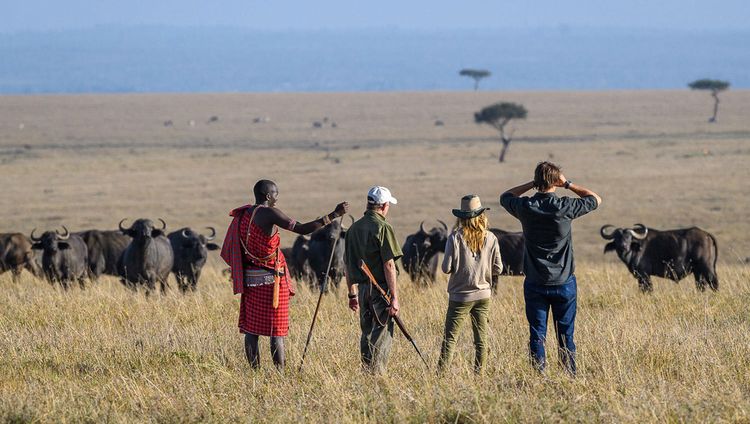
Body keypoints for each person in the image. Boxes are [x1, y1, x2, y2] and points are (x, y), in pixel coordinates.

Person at [221, 179, 348, 369]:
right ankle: (280, 375)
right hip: (272, 280)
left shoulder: (244, 214)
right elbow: (302, 229)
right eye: (275, 194)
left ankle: (254, 372)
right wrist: (334, 214)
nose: (277, 198)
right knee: (276, 331)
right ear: (268, 196)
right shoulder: (270, 213)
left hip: (251, 278)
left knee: (251, 330)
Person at [499, 162, 601, 375]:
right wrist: (568, 184)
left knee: (537, 334)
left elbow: (505, 196)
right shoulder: (565, 206)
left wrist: (532, 184)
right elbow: (595, 199)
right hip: (564, 282)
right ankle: (569, 375)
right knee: (566, 335)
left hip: (535, 282)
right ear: (556, 181)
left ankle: (539, 376)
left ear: (537, 182)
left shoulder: (526, 207)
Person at [438, 195, 503, 373]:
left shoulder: (454, 238)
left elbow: (445, 268)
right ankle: (479, 374)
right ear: (481, 215)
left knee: (450, 339)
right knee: (481, 339)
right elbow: (498, 268)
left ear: (461, 217)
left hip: (460, 295)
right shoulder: (491, 238)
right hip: (483, 295)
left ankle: (441, 375)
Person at [344, 186, 403, 374]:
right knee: (381, 334)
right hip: (381, 290)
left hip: (361, 291)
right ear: (384, 205)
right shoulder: (383, 227)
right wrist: (394, 297)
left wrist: (351, 294)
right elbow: (389, 265)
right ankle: (377, 376)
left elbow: (347, 265)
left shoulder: (353, 229)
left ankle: (366, 372)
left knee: (367, 333)